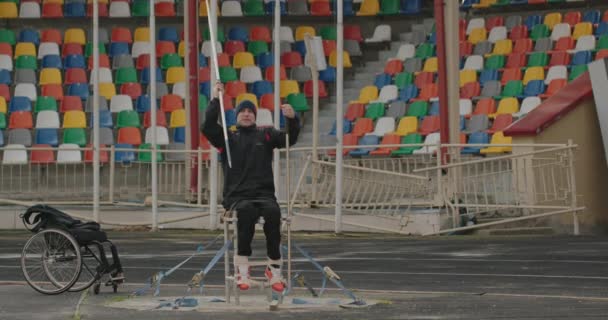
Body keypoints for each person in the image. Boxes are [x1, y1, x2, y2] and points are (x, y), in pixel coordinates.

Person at [202, 82, 300, 292]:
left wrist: (292, 119)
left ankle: (273, 270)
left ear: (255, 116)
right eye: (243, 111)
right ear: (236, 115)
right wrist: (215, 98)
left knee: (274, 214)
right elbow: (208, 127)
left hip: (264, 194)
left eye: (250, 111)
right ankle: (242, 270)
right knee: (245, 214)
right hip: (237, 196)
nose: (246, 114)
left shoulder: (265, 135)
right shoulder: (227, 137)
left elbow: (288, 139)